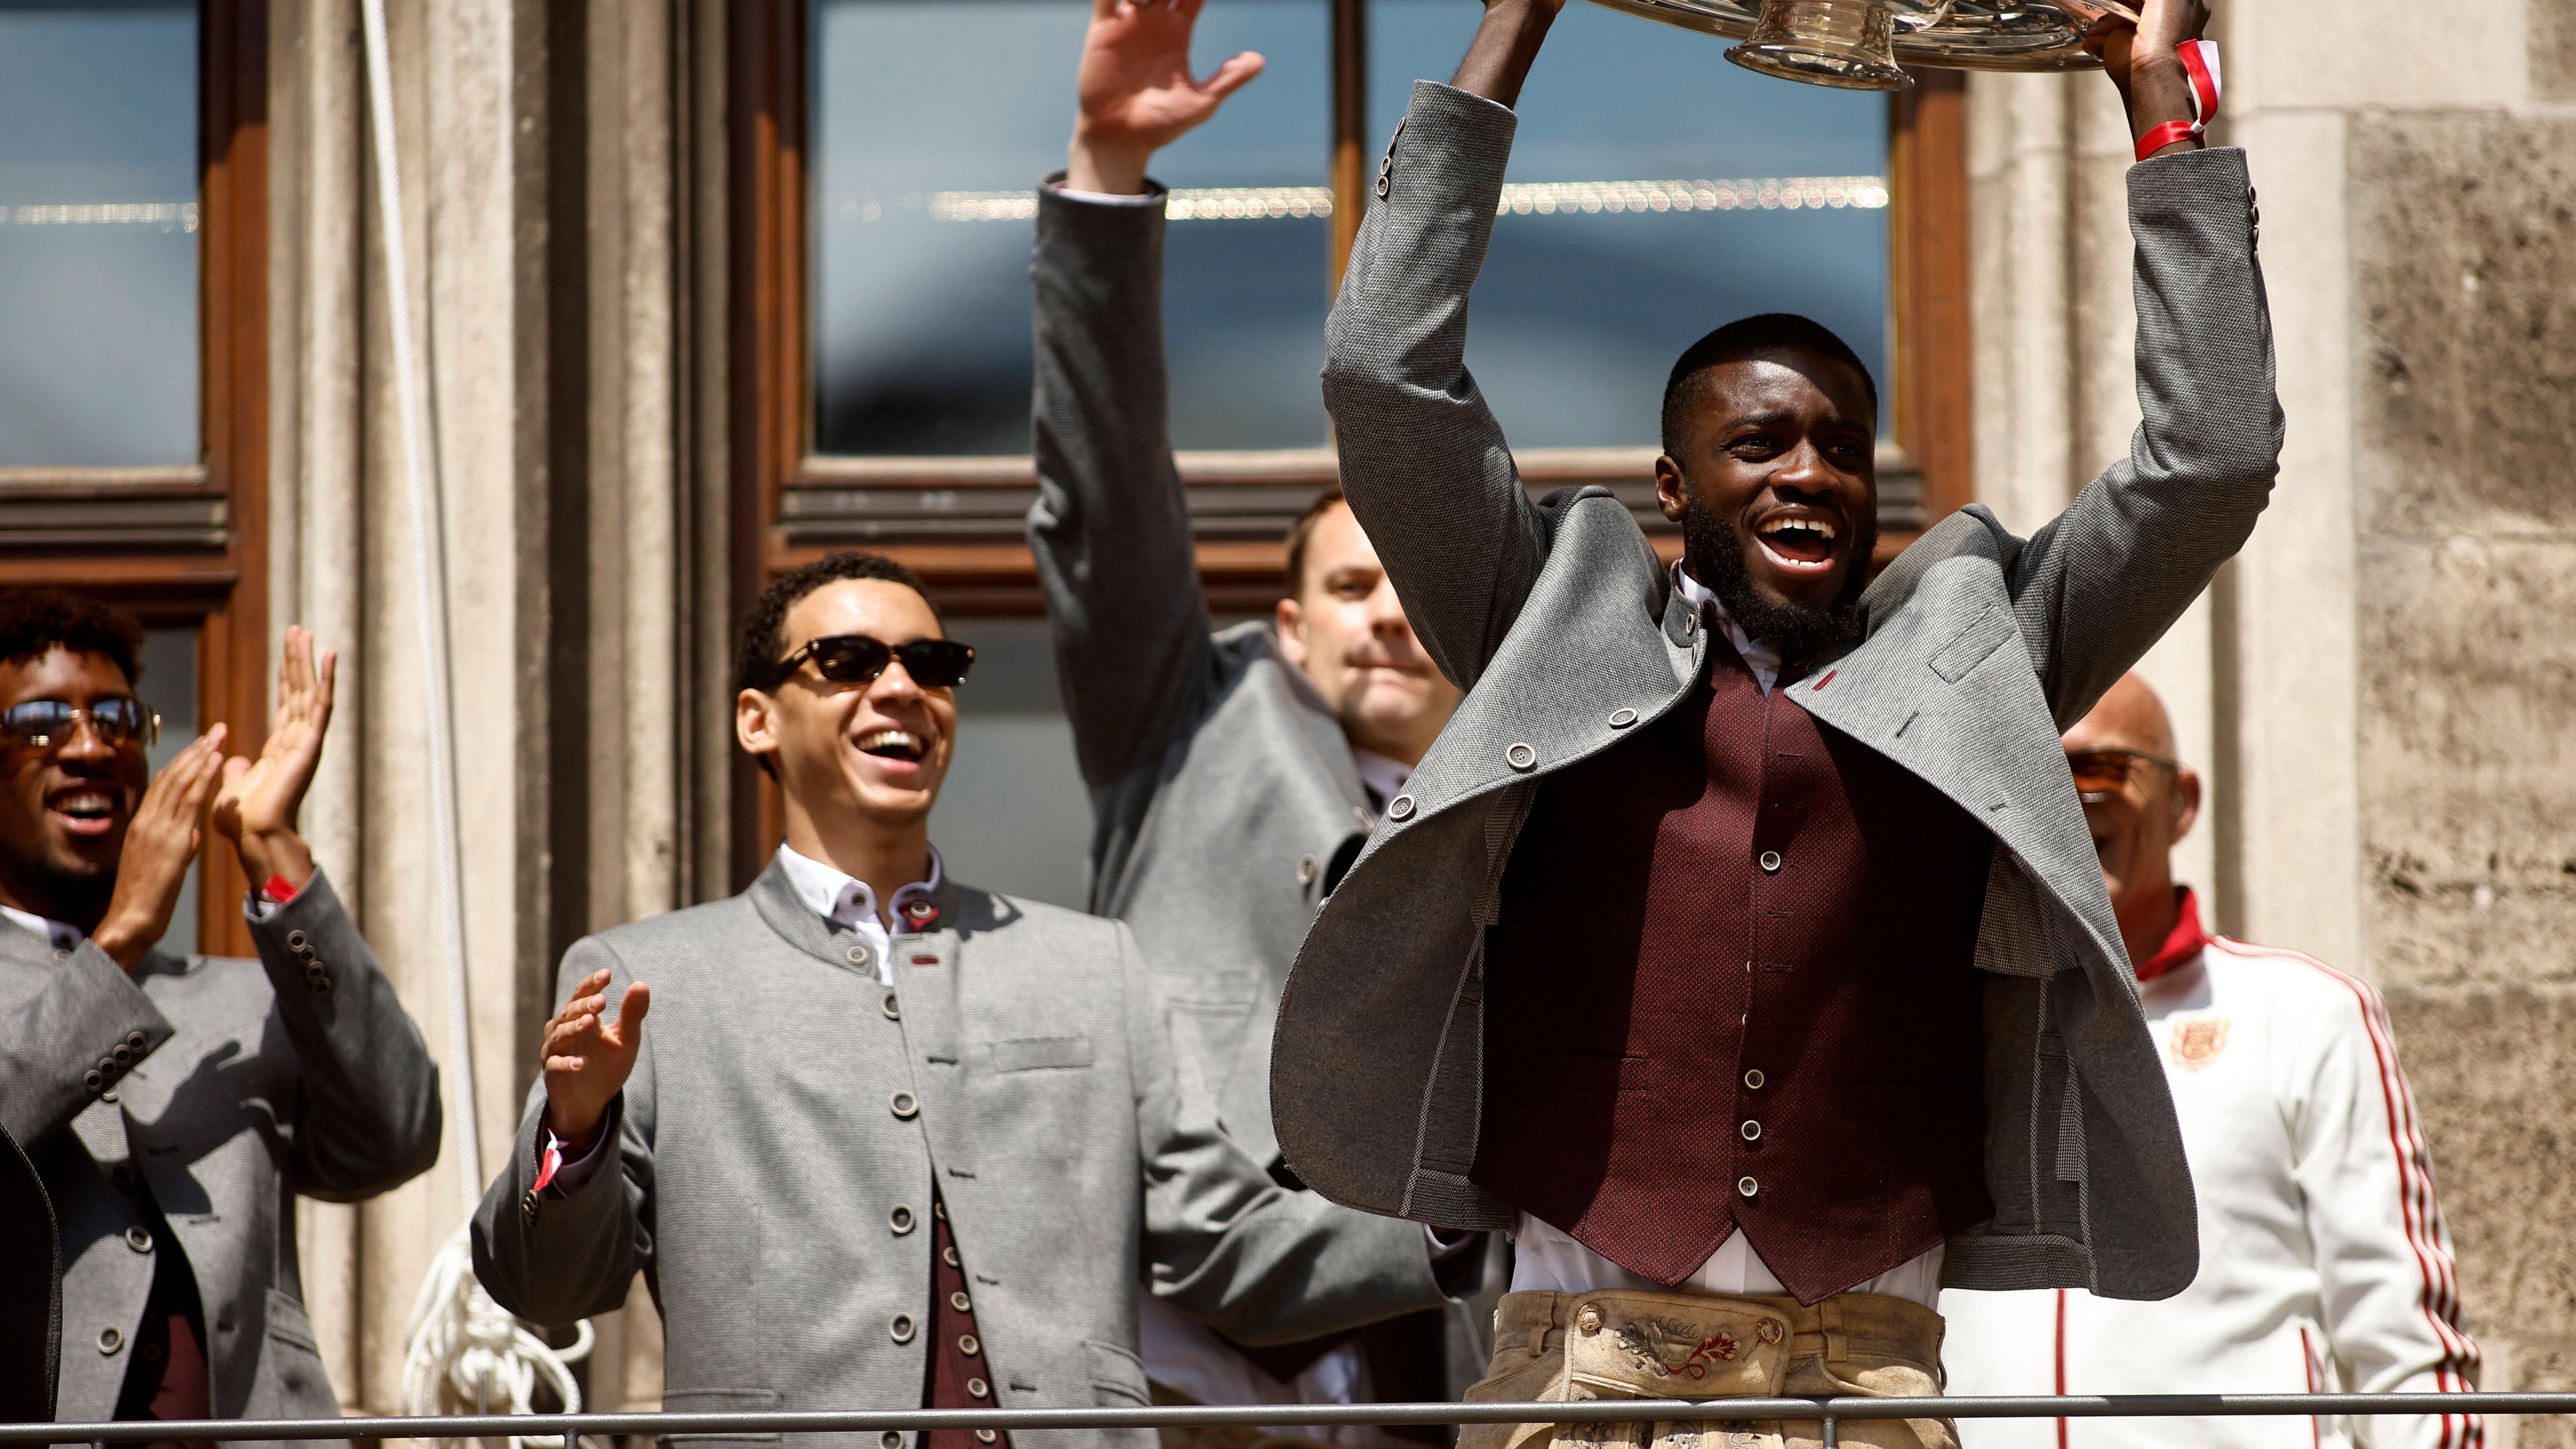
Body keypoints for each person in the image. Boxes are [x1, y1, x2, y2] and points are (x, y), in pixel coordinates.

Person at [1269, 0, 2283, 1443]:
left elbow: (2210, 462)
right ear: (1673, 489)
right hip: (1588, 1374)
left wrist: (2160, 112)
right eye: (1759, 443)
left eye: (1841, 446)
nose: (1808, 472)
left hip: (1864, 1379)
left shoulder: (1977, 655)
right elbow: (1386, 378)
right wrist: (1517, 21)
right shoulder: (1547, 623)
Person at [472, 551, 1466, 1449]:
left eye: (932, 665)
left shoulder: (1091, 965)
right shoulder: (653, 978)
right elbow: (546, 1285)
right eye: (849, 661)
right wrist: (577, 1126)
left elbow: (1233, 1246)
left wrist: (1466, 1213)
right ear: (757, 718)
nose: (899, 688)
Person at [1026, 0, 1480, 1436]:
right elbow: (1102, 501)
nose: (1389, 614)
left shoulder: (1542, 795)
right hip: (1192, 1371)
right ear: (1286, 625)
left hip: (1460, 1382)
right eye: (1350, 585)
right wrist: (1105, 171)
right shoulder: (1192, 712)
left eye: (1416, 586)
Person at [1940, 674, 2483, 1449]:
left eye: (2099, 769)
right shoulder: (1939, 1029)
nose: (2065, 800)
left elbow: (2406, 1354)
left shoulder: (2305, 1013)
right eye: (2036, 771)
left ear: (2182, 801)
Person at [0, 590, 442, 1432]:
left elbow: (399, 1133)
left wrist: (275, 853)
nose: (90, 745)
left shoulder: (238, 992)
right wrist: (123, 933)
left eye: (118, 717)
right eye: (44, 721)